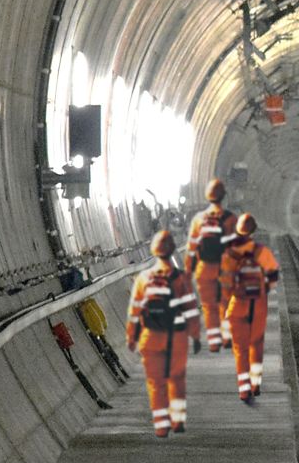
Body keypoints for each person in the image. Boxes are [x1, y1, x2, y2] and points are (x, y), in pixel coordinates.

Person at [125, 230, 200, 437]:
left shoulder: (143, 278)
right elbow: (191, 308)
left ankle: (161, 423)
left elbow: (135, 311)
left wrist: (132, 337)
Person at [219, 213, 281, 402]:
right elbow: (273, 276)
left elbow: (225, 284)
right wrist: (263, 290)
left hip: (237, 304)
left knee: (240, 348)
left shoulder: (229, 253)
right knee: (256, 345)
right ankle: (256, 384)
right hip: (258, 305)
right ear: (254, 231)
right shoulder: (262, 252)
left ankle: (244, 389)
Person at [186, 178, 236, 352]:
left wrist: (189, 268)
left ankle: (214, 340)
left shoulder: (199, 219)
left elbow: (192, 246)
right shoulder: (230, 218)